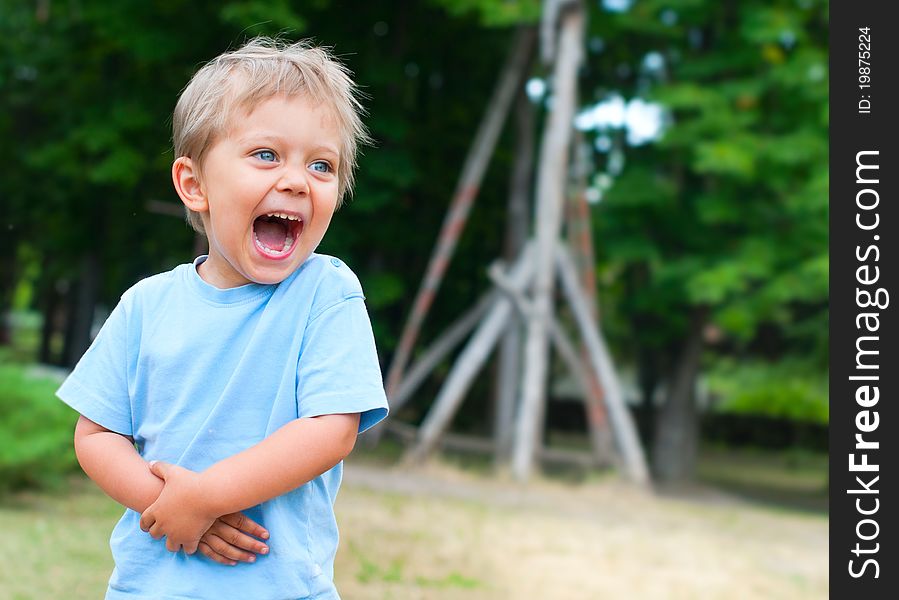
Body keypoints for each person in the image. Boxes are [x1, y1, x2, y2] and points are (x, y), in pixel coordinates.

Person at [56, 36, 389, 599]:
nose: (296, 180)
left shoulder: (325, 292)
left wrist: (207, 496)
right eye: (266, 155)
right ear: (194, 185)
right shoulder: (147, 304)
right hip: (150, 586)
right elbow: (96, 434)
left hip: (280, 588)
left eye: (321, 164)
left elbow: (331, 431)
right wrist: (171, 506)